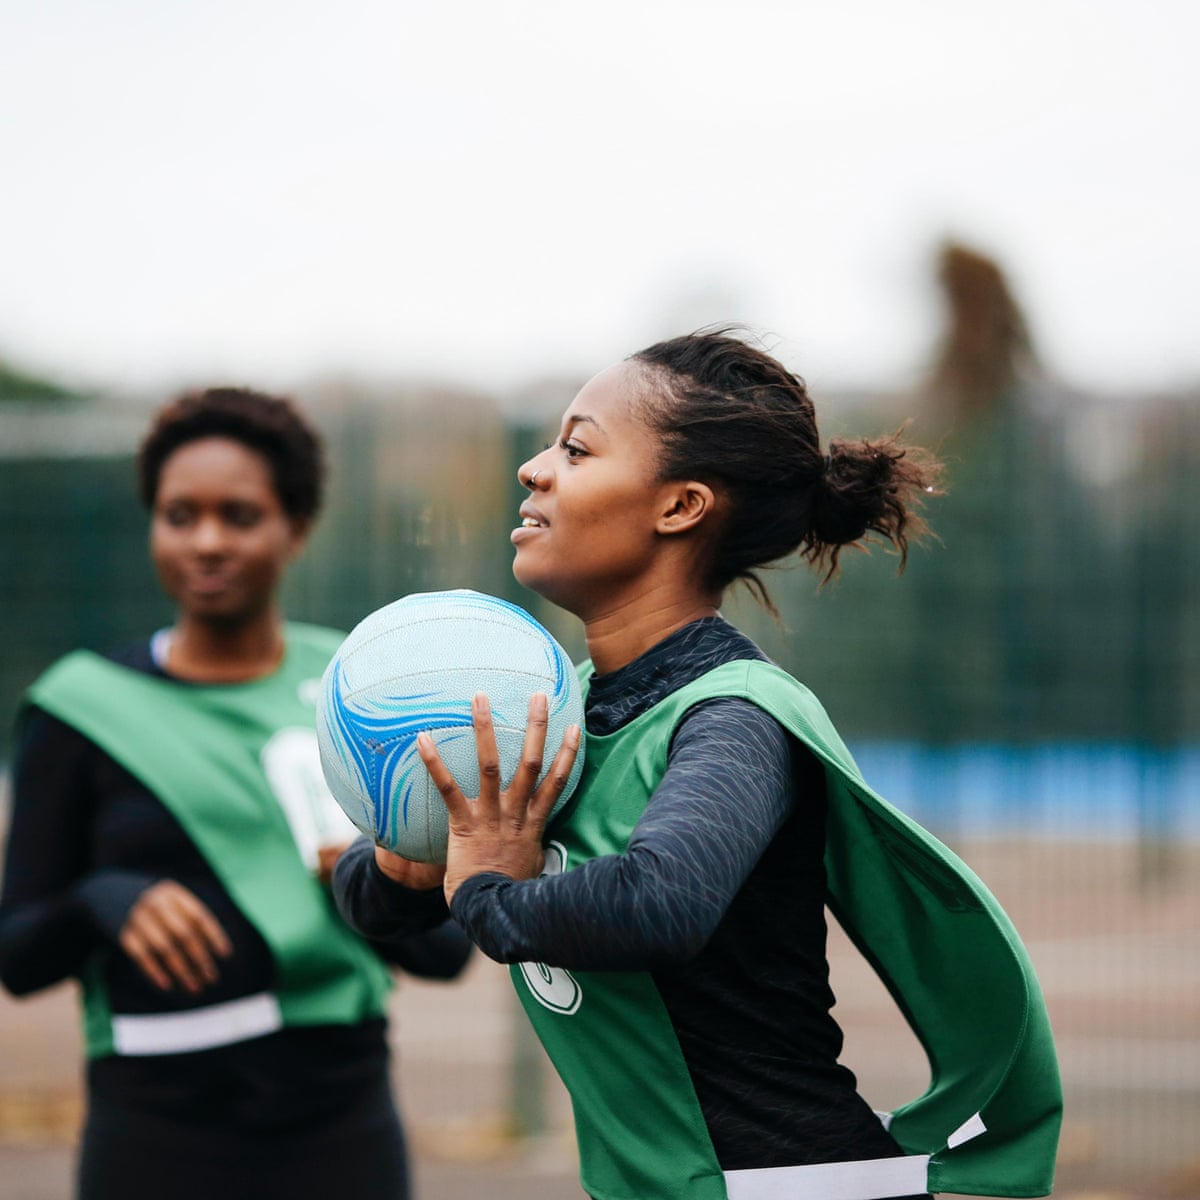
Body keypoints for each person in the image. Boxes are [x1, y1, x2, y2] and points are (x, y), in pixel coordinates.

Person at [332, 331, 1062, 1200]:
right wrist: (400, 861)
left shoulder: (734, 715)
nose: (533, 469)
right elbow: (398, 907)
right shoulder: (562, 708)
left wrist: (484, 889)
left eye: (577, 446)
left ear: (679, 507)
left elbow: (658, 903)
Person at [0, 387, 472, 1200]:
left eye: (240, 515)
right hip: (155, 1122)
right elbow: (19, 956)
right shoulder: (80, 707)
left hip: (341, 1112)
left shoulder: (357, 692)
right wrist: (102, 899)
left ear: (295, 529)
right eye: (180, 515)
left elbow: (442, 953)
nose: (207, 541)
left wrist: (359, 879)